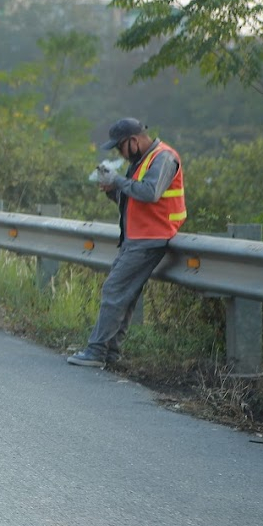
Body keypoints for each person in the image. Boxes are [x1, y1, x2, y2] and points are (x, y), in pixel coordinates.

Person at [67, 118, 185, 368]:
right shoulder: (141, 161)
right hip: (136, 238)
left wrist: (118, 180)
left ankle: (96, 352)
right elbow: (133, 199)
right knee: (125, 296)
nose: (120, 153)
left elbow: (150, 193)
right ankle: (110, 354)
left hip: (150, 238)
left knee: (114, 291)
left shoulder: (163, 157)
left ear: (134, 140)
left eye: (120, 147)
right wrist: (112, 190)